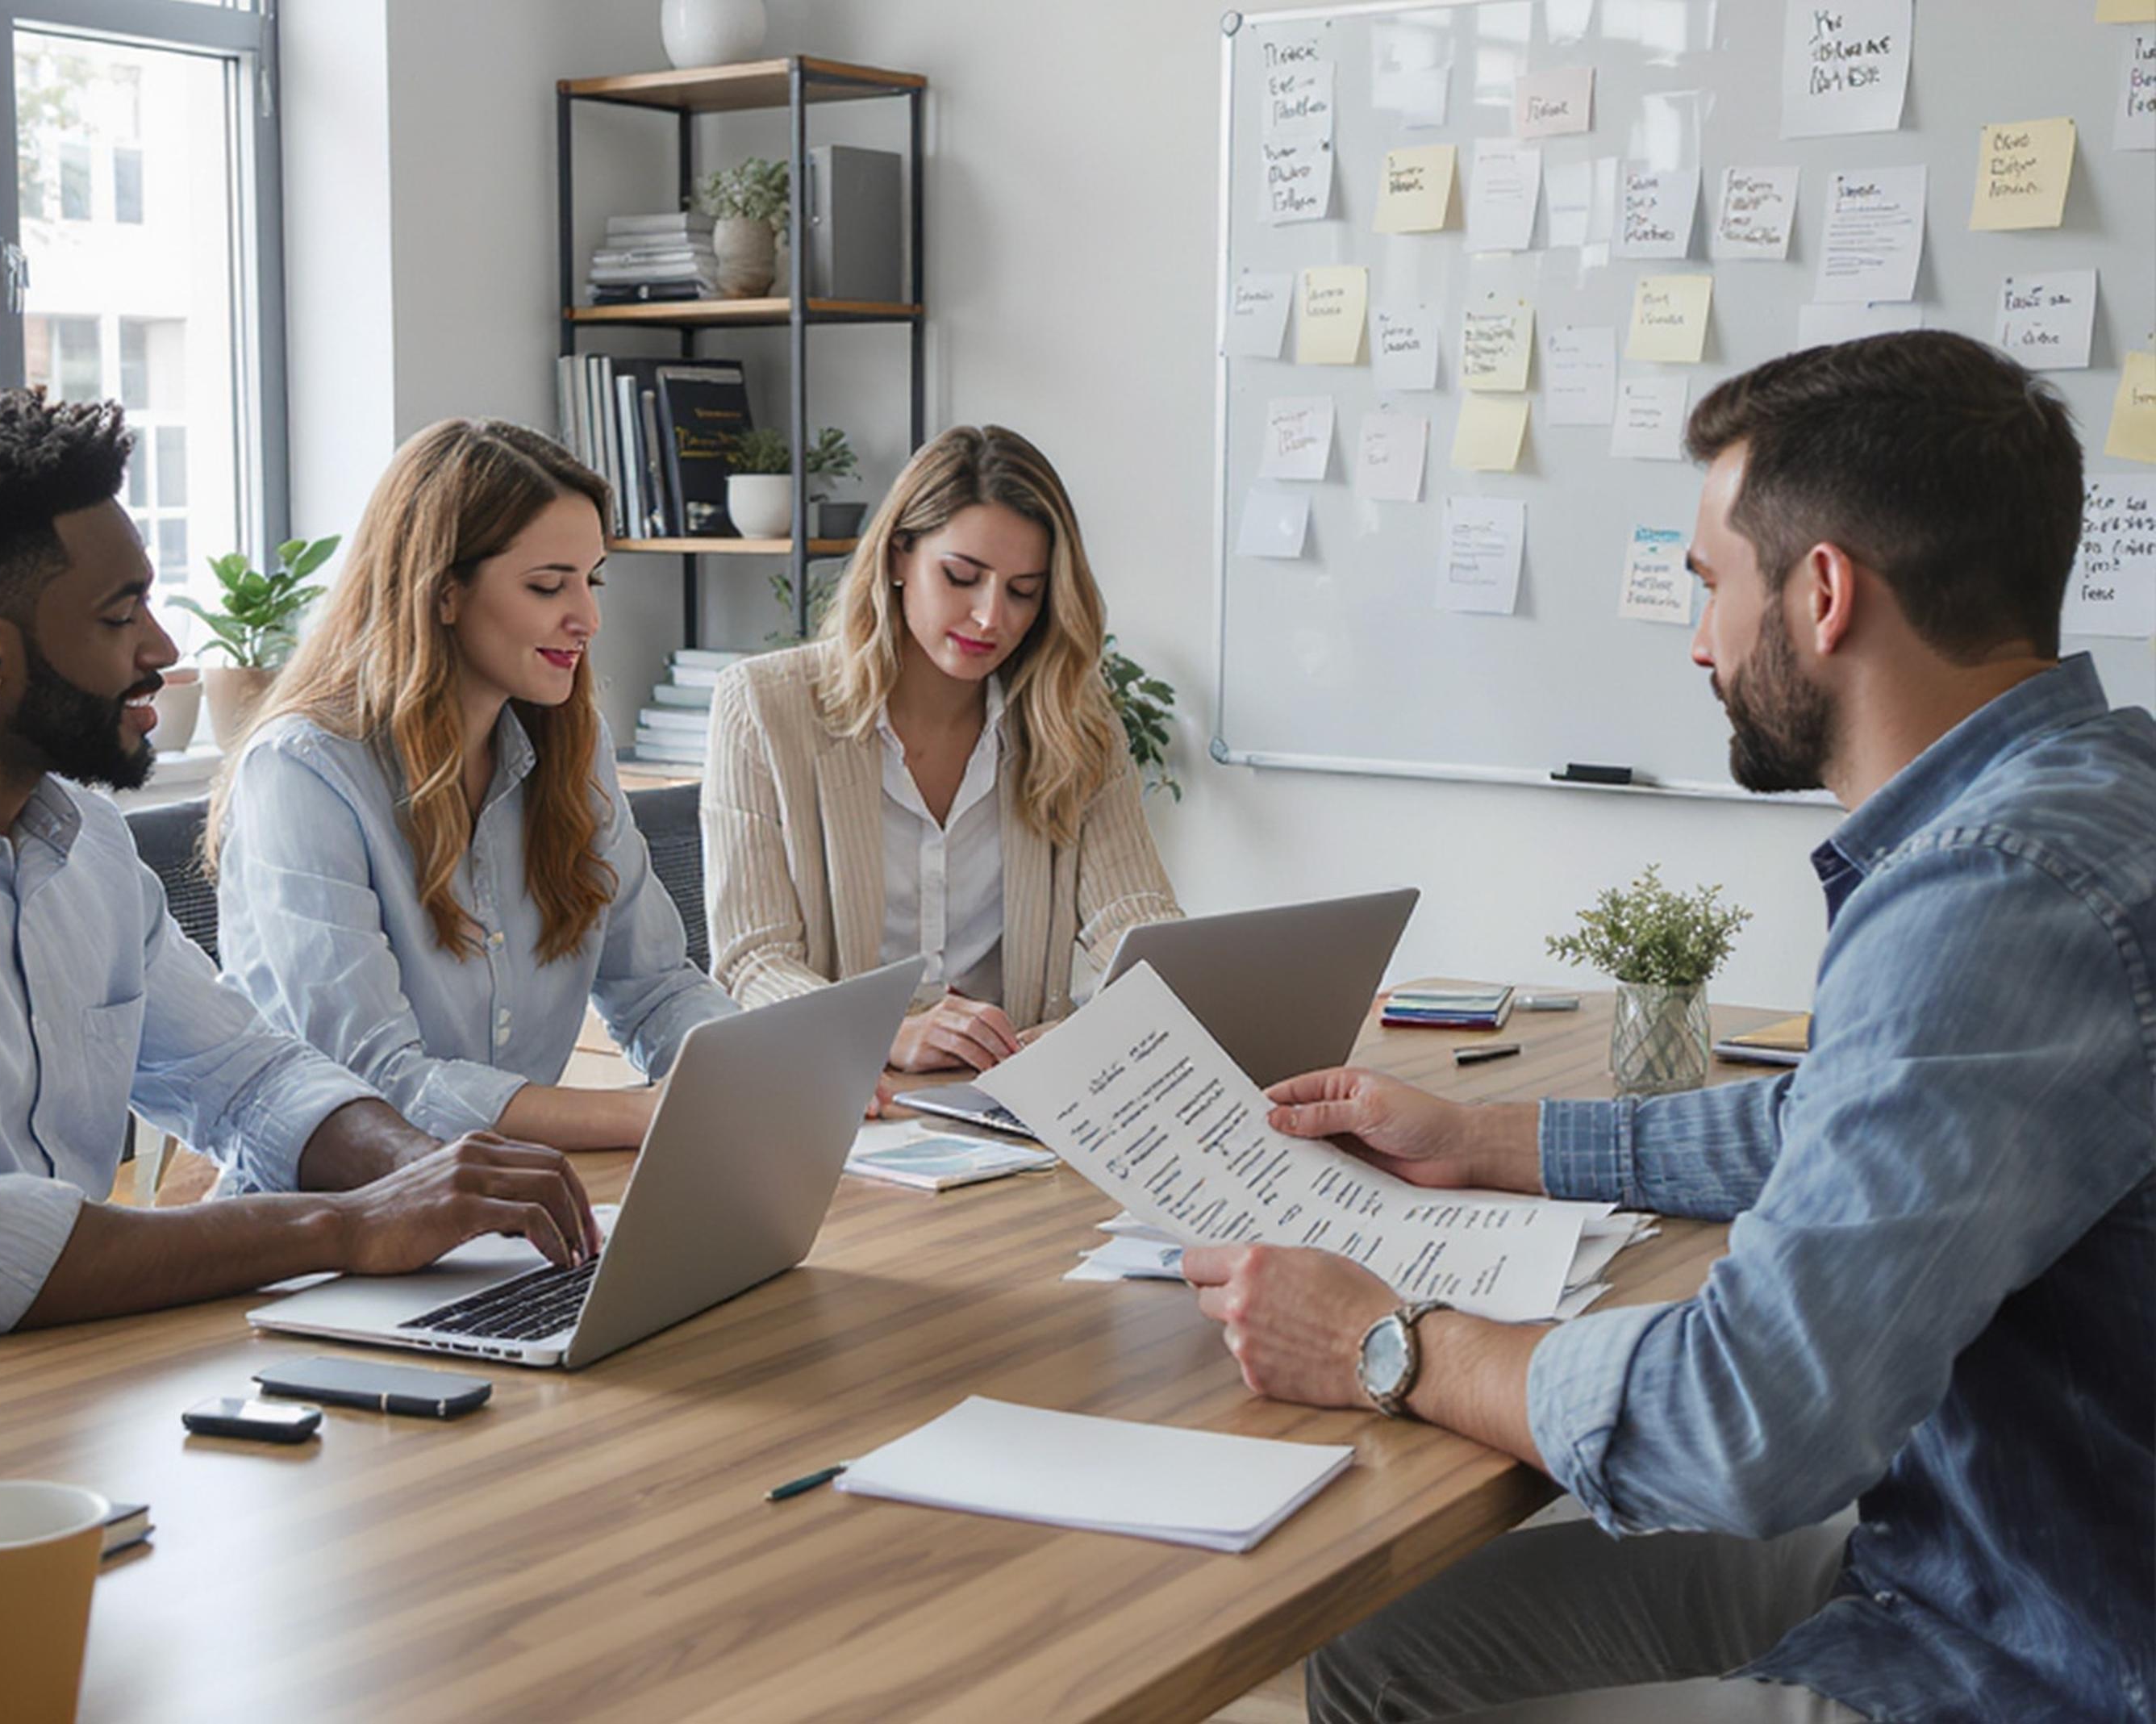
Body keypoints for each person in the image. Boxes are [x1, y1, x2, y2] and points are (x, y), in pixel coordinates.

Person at [1181, 331, 2153, 1722]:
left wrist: (1389, 1342)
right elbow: (1854, 1123)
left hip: (2032, 1651)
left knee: (1384, 1671)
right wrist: (1495, 1137)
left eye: (1709, 585)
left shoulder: (1994, 889)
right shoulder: (2093, 795)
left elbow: (1747, 1423)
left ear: (1823, 593)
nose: (1697, 640)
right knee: (1389, 1644)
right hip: (1978, 1539)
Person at [0, 390, 598, 1401]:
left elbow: (249, 1080)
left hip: (51, 1402)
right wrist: (346, 1226)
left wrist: (421, 1174)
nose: (163, 650)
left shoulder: (76, 841)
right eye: (119, 615)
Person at [207, 420, 736, 1152]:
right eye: (548, 585)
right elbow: (377, 1085)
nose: (587, 618)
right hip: (344, 1224)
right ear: (444, 591)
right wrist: (646, 1115)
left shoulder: (572, 752)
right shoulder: (304, 774)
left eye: (591, 579)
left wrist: (752, 1076)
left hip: (517, 1200)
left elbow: (657, 988)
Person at [703, 424, 1181, 1072]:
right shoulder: (762, 707)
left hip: (1005, 1100)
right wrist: (883, 1034)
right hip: (844, 1091)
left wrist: (1093, 1028)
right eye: (961, 577)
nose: (991, 617)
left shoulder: (1074, 721)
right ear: (899, 555)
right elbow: (752, 960)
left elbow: (1136, 921)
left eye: (1023, 591)